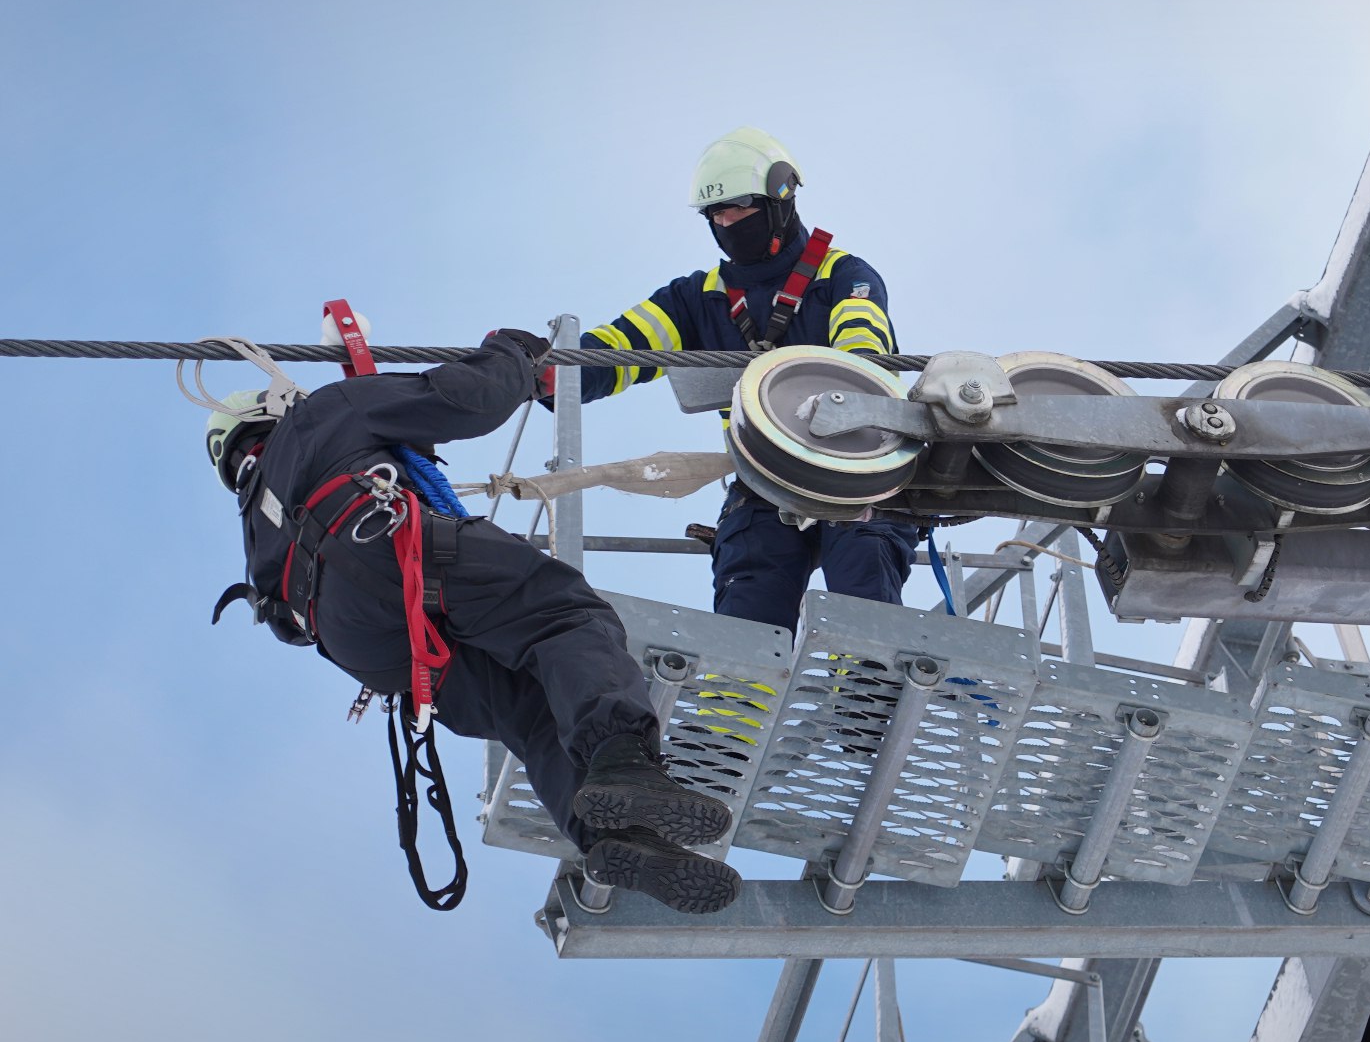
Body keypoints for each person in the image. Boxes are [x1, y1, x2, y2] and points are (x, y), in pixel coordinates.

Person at [205, 333, 742, 913]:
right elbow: (461, 399)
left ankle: (614, 840)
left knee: (535, 714)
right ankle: (623, 759)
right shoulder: (322, 413)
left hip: (370, 647)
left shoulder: (257, 534)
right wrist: (511, 358)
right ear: (274, 411)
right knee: (562, 617)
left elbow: (289, 626)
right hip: (388, 539)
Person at [570, 126, 917, 629]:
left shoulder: (844, 277)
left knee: (863, 582)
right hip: (765, 482)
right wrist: (543, 370)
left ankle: (867, 694)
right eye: (715, 214)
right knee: (748, 604)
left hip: (859, 473)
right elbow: (617, 350)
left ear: (780, 202)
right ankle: (736, 705)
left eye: (739, 209)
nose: (726, 222)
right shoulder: (698, 298)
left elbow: (862, 359)